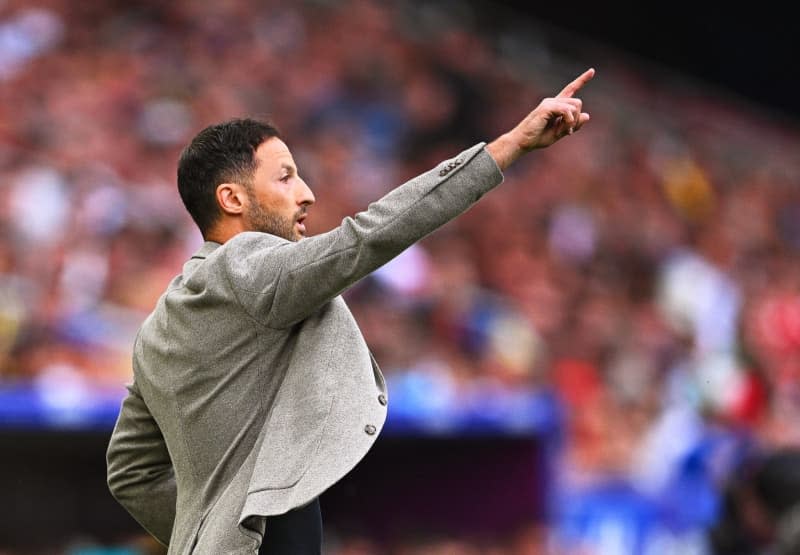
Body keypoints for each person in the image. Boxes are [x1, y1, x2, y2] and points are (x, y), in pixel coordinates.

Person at [106, 68, 595, 555]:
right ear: (231, 199)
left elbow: (130, 473)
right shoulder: (247, 265)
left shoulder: (158, 324)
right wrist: (508, 147)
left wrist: (212, 536)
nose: (307, 193)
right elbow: (367, 236)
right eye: (286, 176)